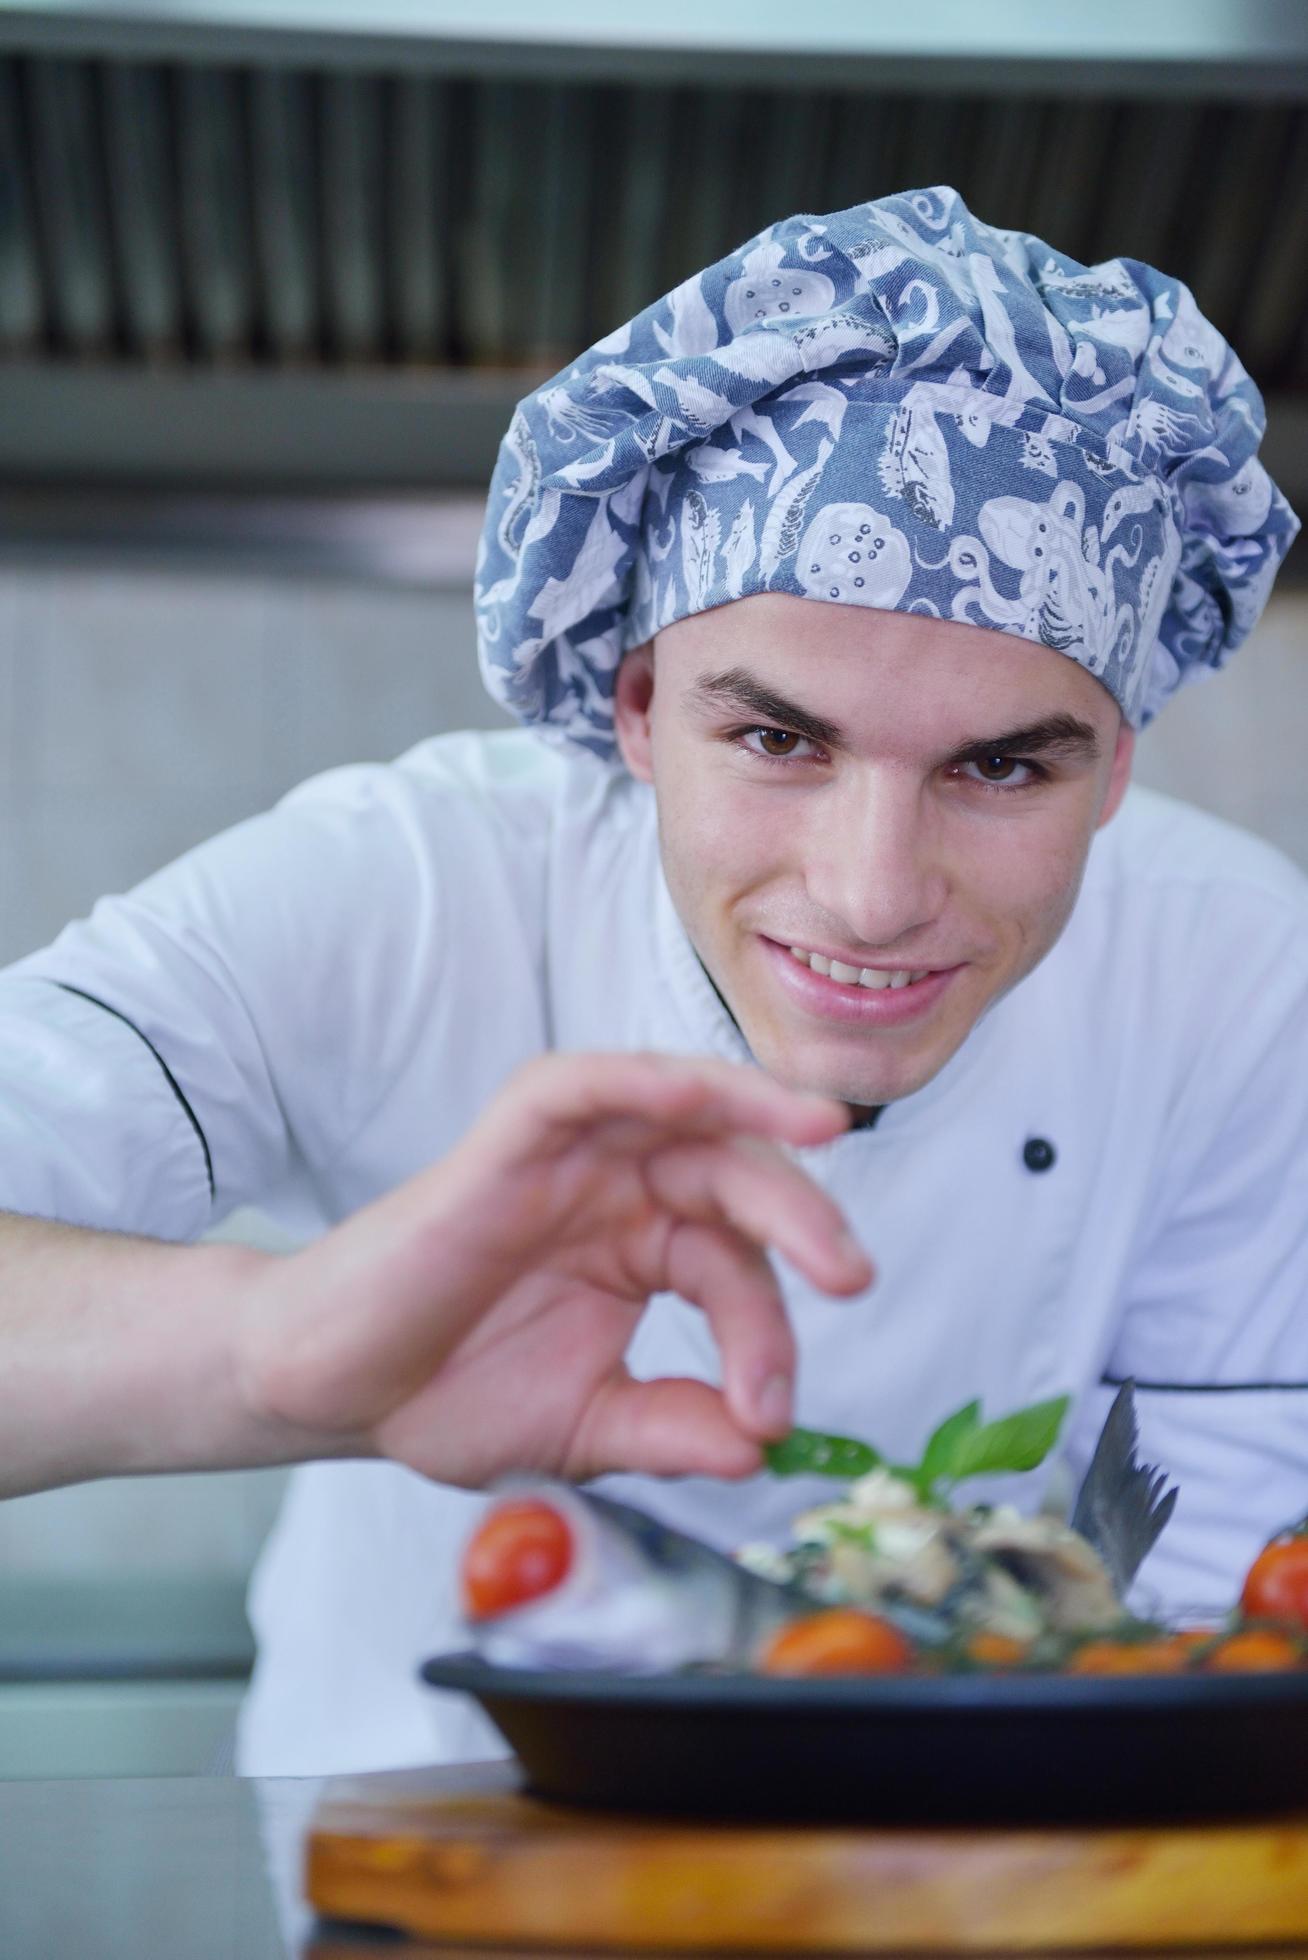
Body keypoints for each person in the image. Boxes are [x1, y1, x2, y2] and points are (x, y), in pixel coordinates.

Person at [0, 186, 1302, 1776]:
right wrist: (280, 1350)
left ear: (1113, 771)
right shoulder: (409, 886)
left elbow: (1223, 1629)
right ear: (632, 706)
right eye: (776, 739)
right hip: (427, 1881)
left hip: (995, 1880)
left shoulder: (1237, 980)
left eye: (1006, 768)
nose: (873, 895)